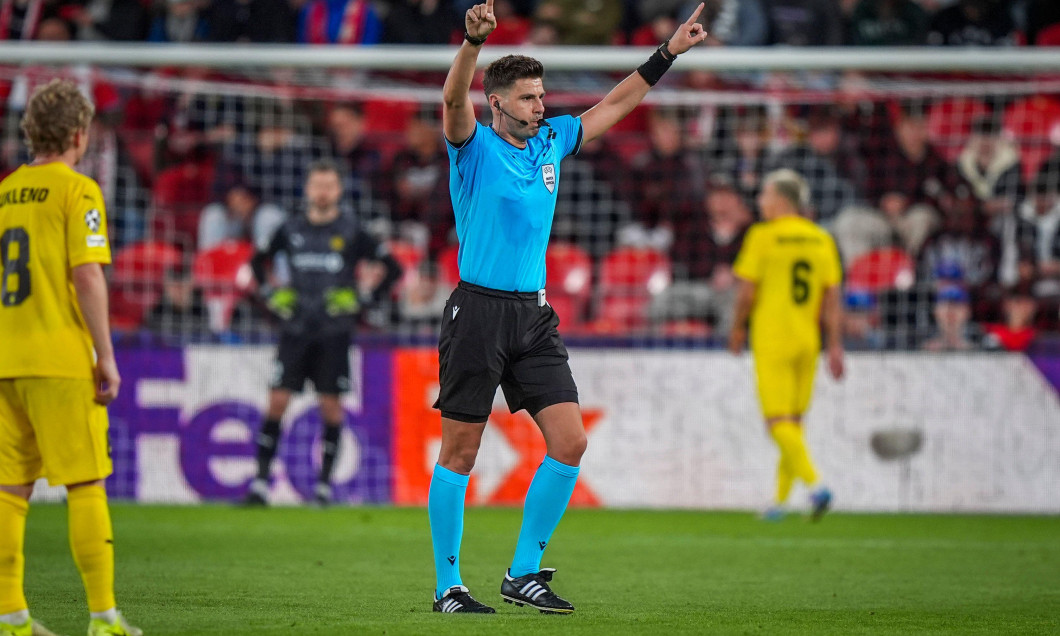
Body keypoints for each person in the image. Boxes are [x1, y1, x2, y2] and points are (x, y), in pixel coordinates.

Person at [429, 0, 707, 615]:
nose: (541, 106)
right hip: (477, 312)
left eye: (542, 95)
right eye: (529, 98)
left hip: (533, 315)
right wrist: (472, 46)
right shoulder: (470, 147)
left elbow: (614, 104)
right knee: (461, 453)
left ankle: (522, 572)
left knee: (570, 442)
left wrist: (667, 55)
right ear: (497, 102)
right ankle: (448, 587)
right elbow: (452, 102)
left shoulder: (553, 140)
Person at [0, 79, 141, 636]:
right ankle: (103, 617)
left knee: (10, 492)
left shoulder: (6, 191)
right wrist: (104, 355)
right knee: (85, 483)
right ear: (80, 134)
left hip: (6, 358)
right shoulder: (77, 190)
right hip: (58, 356)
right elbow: (87, 274)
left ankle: (11, 616)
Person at [244, 160, 401, 507]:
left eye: (329, 186)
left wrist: (363, 299)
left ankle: (324, 488)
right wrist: (271, 294)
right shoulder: (290, 228)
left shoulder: (351, 230)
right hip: (295, 329)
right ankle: (259, 484)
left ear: (339, 190)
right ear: (308, 189)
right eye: (317, 185)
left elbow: (393, 268)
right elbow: (257, 262)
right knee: (277, 402)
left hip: (334, 332)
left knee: (331, 407)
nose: (322, 192)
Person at [728, 169, 843, 522]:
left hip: (773, 337)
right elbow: (833, 298)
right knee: (793, 423)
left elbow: (747, 292)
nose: (760, 201)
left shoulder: (763, 236)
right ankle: (779, 503)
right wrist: (835, 345)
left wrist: (736, 329)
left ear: (782, 199)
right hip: (808, 340)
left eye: (764, 194)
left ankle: (816, 485)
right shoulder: (821, 239)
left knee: (778, 422)